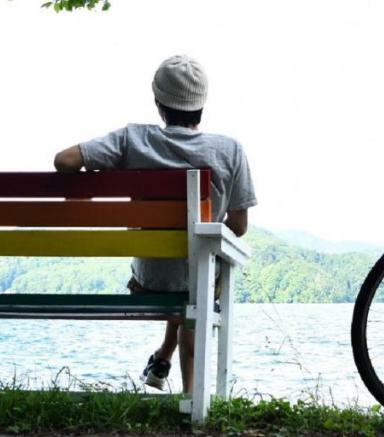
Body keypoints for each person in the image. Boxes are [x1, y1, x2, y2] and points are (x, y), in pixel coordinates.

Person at [52, 55, 256, 393]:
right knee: (199, 273)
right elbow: (240, 226)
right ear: (201, 104)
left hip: (149, 277)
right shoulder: (229, 150)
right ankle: (191, 392)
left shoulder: (133, 139)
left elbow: (64, 161)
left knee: (185, 275)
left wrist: (96, 180)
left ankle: (162, 358)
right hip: (198, 278)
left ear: (158, 102)